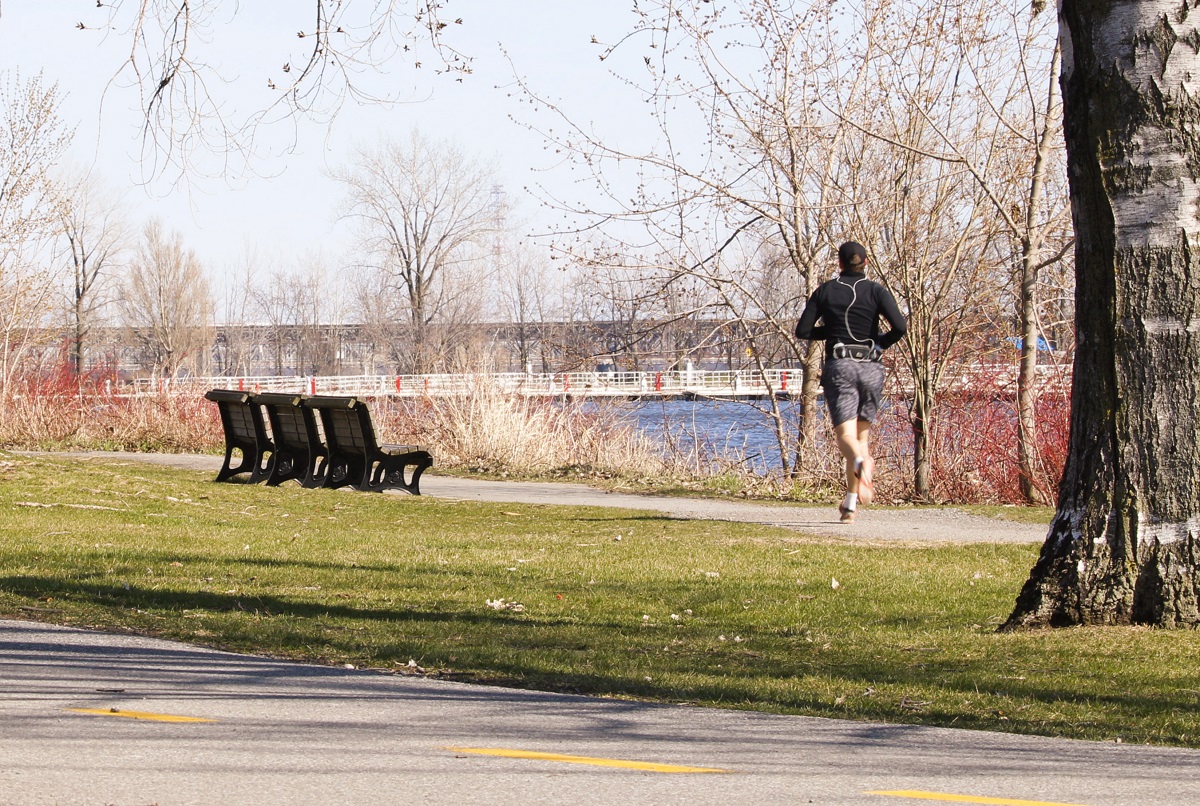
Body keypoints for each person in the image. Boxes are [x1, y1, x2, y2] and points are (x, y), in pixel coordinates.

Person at [794, 241, 907, 523]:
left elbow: (803, 330)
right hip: (871, 366)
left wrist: (832, 331)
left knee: (845, 436)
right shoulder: (877, 290)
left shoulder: (826, 291)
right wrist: (879, 344)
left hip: (840, 366)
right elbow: (901, 327)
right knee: (861, 439)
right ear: (866, 263)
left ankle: (861, 464)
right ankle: (850, 504)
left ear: (839, 264)